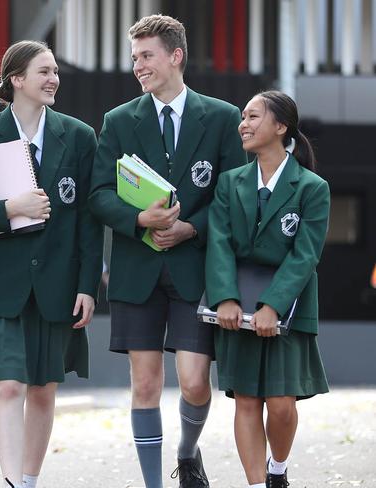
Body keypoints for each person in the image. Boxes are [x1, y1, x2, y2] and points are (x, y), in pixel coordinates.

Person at [89, 14, 247, 488]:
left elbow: (234, 195)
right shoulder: (118, 121)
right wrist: (140, 221)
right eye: (134, 57)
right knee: (145, 384)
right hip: (137, 269)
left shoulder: (221, 117)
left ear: (175, 56)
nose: (138, 66)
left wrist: (189, 228)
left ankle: (187, 451)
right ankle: (154, 484)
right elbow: (99, 193)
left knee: (197, 381)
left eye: (146, 56)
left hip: (196, 269)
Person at [0, 40, 102, 488]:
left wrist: (88, 284)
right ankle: (13, 482)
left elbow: (90, 222)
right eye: (44, 71)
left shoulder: (77, 136)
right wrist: (9, 207)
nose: (54, 79)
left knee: (44, 389)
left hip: (59, 284)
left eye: (55, 72)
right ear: (16, 79)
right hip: (0, 285)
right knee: (10, 385)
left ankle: (30, 480)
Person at [206, 90, 330, 488]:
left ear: (280, 127)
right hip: (236, 306)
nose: (244, 124)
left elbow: (305, 256)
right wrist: (225, 298)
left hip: (289, 309)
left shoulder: (312, 187)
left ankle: (278, 469)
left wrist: (272, 305)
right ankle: (258, 485)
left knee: (280, 405)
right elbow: (219, 243)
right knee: (245, 401)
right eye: (243, 116)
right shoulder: (229, 183)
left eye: (253, 116)